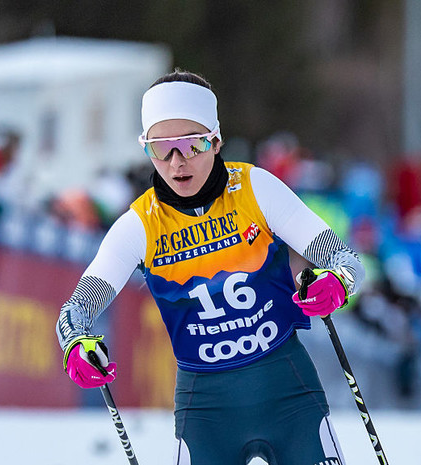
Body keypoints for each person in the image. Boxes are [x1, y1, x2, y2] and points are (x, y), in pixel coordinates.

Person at [55, 70, 365, 465]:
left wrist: (337, 282)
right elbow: (75, 310)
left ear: (216, 142)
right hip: (205, 411)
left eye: (191, 144)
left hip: (287, 393)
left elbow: (347, 259)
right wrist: (74, 345)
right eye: (159, 147)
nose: (176, 162)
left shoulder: (256, 188)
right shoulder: (140, 225)